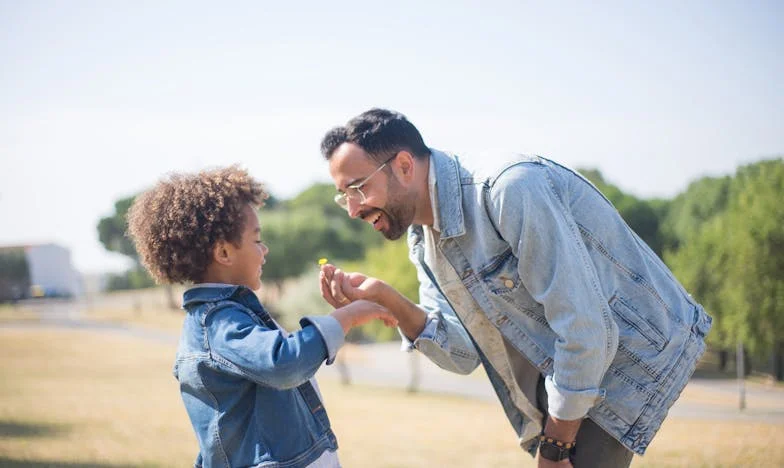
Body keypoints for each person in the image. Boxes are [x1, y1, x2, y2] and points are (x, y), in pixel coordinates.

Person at [317, 108, 712, 467]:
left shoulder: (508, 189)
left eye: (358, 189)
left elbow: (585, 326)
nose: (352, 209)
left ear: (404, 166)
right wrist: (388, 301)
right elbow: (462, 354)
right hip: (573, 367)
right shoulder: (424, 241)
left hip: (624, 358)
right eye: (343, 197)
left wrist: (556, 446)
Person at [126, 165, 396, 468]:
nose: (265, 249)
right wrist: (345, 317)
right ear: (224, 253)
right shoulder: (219, 324)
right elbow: (283, 363)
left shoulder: (232, 315)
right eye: (256, 240)